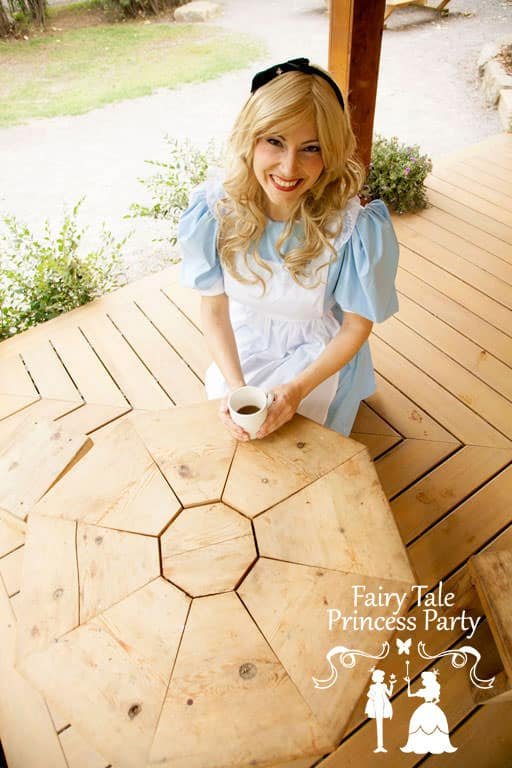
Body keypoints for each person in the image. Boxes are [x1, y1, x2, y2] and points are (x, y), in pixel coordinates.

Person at [179, 57, 399, 440]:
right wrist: (235, 388)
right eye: (274, 142)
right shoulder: (215, 211)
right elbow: (214, 309)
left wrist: (297, 391)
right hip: (245, 337)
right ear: (250, 138)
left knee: (300, 436)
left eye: (310, 148)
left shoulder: (352, 227)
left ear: (330, 153)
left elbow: (356, 325)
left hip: (321, 348)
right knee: (229, 426)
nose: (288, 167)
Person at [400, 670, 457, 754]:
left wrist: (431, 706)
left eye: (424, 680)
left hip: (428, 707)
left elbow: (437, 699)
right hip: (430, 707)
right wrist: (408, 682)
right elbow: (410, 695)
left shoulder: (428, 691)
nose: (423, 681)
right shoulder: (424, 691)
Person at [365, 668, 396, 753]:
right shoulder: (373, 686)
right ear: (376, 678)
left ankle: (381, 746)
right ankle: (379, 746)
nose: (382, 678)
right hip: (376, 705)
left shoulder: (384, 686)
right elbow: (369, 694)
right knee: (378, 724)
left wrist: (392, 684)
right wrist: (375, 698)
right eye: (381, 677)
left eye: (382, 677)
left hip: (383, 704)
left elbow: (389, 693)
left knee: (380, 724)